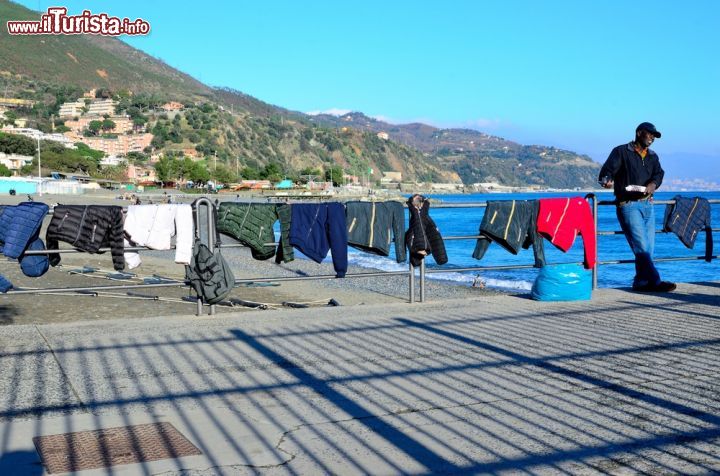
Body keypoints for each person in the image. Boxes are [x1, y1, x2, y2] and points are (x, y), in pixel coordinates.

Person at [598, 122, 676, 292]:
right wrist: (606, 181)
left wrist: (653, 185)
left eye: (655, 136)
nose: (653, 138)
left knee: (648, 248)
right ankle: (656, 282)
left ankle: (641, 282)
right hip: (628, 206)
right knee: (641, 246)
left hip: (648, 205)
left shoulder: (653, 156)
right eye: (651, 134)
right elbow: (606, 172)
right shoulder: (621, 151)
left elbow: (659, 174)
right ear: (640, 133)